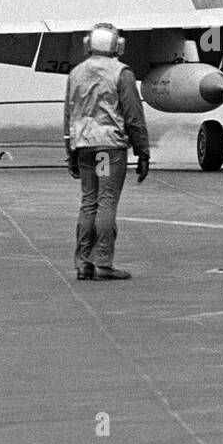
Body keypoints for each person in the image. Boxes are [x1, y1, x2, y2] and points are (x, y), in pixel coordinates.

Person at [63, 23, 151, 281]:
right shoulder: (121, 73)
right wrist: (143, 152)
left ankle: (83, 263)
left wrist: (70, 152)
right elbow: (134, 115)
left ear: (88, 44)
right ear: (118, 46)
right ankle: (103, 263)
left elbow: (68, 115)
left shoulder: (76, 73)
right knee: (106, 202)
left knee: (88, 202)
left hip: (84, 147)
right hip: (109, 149)